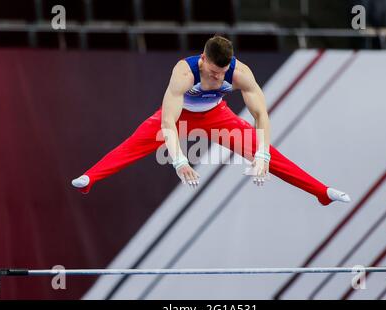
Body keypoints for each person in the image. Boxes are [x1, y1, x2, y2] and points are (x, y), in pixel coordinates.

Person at [72, 35, 350, 206]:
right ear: (203, 59)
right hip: (180, 117)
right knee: (134, 144)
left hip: (218, 117)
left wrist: (262, 155)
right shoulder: (184, 72)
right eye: (215, 72)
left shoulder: (240, 73)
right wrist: (180, 161)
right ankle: (91, 179)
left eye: (223, 73)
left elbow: (261, 114)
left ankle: (321, 192)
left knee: (271, 156)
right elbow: (169, 123)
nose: (219, 77)